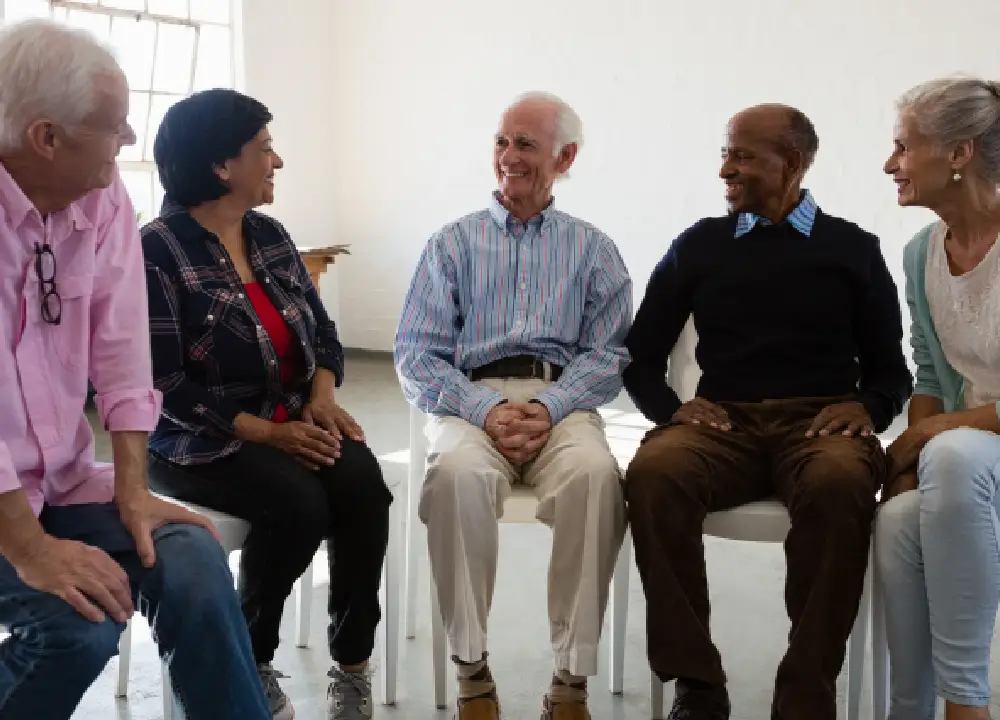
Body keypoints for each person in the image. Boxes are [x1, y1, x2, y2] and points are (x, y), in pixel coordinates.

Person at [0, 20, 272, 720]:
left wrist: (132, 491)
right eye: (112, 125)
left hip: (56, 479)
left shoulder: (99, 194)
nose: (127, 141)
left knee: (190, 556)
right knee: (75, 629)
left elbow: (122, 349)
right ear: (45, 137)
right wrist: (31, 550)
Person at [623, 104, 912, 720]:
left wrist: (866, 407)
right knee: (654, 474)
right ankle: (698, 686)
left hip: (819, 425)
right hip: (722, 423)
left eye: (742, 156)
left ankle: (806, 695)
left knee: (840, 482)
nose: (726, 169)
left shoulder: (852, 250)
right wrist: (672, 410)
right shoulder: (700, 246)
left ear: (793, 163)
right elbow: (640, 357)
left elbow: (892, 372)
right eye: (725, 154)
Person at [142, 88, 392, 720]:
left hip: (289, 420)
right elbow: (162, 382)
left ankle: (353, 665)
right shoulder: (157, 251)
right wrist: (265, 434)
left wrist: (323, 396)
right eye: (264, 149)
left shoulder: (271, 236)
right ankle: (250, 659)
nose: (276, 162)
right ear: (222, 166)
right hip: (194, 441)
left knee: (364, 485)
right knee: (298, 503)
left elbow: (324, 333)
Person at [394, 91, 631, 720]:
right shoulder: (452, 244)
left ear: (565, 156)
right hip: (472, 402)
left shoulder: (594, 250)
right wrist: (483, 410)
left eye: (525, 144)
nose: (509, 156)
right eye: (502, 141)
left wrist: (551, 405)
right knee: (453, 476)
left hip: (562, 406)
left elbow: (608, 356)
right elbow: (416, 353)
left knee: (596, 477)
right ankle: (471, 670)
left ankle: (570, 679)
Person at [876, 77, 1000, 720]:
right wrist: (905, 471)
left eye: (903, 147)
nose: (890, 164)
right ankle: (909, 711)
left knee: (952, 455)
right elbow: (927, 373)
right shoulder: (921, 253)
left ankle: (966, 704)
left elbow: (937, 426)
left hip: (975, 456)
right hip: (965, 460)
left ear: (959, 154)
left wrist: (929, 436)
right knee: (898, 519)